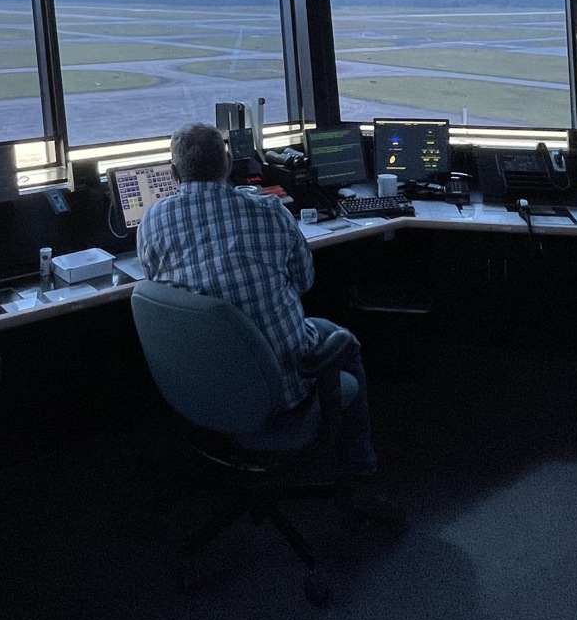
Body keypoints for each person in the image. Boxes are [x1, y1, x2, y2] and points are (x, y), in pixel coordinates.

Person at [137, 122, 402, 524]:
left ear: (173, 175)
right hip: (278, 392)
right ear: (228, 164)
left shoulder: (152, 221)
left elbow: (158, 278)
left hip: (199, 384)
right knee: (342, 340)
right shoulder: (267, 211)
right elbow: (304, 282)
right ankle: (357, 476)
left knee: (322, 331)